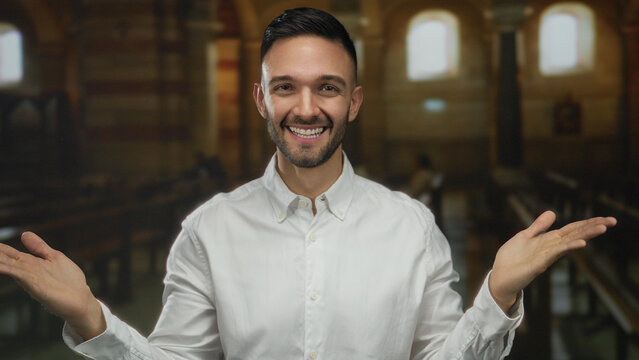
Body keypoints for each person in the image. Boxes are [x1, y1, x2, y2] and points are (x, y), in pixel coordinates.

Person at [0, 7, 617, 360]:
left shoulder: (409, 226)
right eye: (285, 87)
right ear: (261, 100)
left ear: (354, 102)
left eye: (328, 86)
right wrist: (91, 318)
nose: (306, 107)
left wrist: (498, 297)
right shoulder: (211, 229)